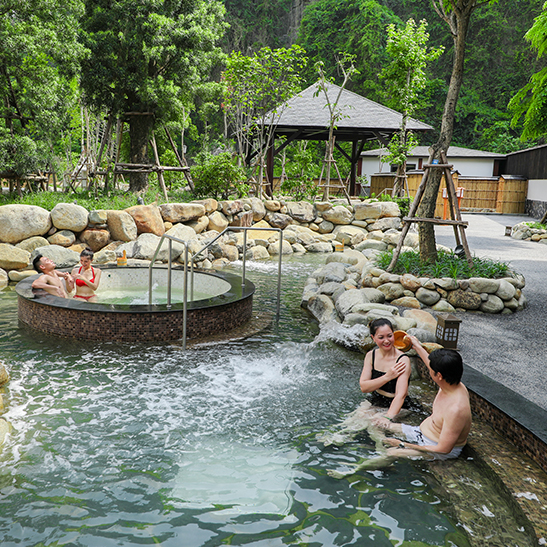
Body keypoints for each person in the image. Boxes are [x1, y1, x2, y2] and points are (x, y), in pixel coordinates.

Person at [359, 318, 412, 420]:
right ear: (373, 338)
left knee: (375, 424)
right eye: (381, 337)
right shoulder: (371, 355)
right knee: (353, 420)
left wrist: (387, 417)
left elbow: (401, 395)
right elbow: (364, 387)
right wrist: (387, 377)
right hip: (376, 398)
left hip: (398, 404)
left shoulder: (402, 360)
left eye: (389, 336)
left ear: (394, 335)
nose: (386, 341)